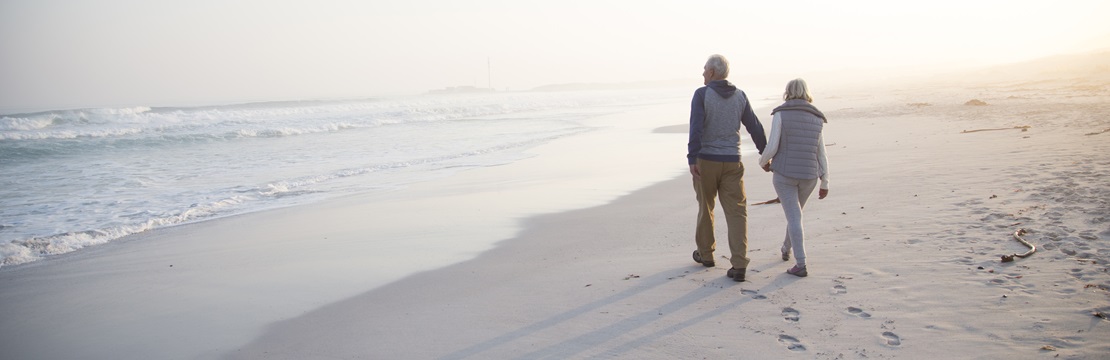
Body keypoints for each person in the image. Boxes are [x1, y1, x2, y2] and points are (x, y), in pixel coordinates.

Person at [687, 54, 767, 282]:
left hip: (706, 161)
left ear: (712, 72)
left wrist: (692, 157)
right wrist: (766, 154)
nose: (702, 73)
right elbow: (754, 127)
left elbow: (696, 128)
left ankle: (706, 254)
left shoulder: (702, 95)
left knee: (706, 207)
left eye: (704, 69)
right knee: (737, 212)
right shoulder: (740, 96)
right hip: (732, 160)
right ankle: (739, 263)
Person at [758, 78, 830, 277]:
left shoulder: (781, 114)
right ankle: (785, 249)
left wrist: (763, 162)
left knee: (794, 216)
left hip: (785, 175)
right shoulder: (817, 117)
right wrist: (825, 181)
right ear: (807, 92)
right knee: (795, 214)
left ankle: (801, 264)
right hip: (809, 176)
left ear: (787, 92)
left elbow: (772, 146)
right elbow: (821, 152)